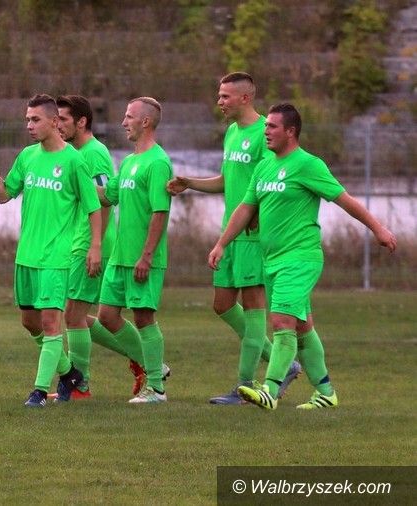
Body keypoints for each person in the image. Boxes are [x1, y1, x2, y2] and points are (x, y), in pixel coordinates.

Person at [208, 103, 397, 410]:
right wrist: (221, 244)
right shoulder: (264, 166)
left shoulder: (308, 164)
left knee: (281, 321)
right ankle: (326, 393)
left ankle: (269, 390)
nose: (266, 131)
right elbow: (245, 209)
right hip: (272, 259)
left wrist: (378, 228)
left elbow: (344, 199)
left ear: (291, 131)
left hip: (300, 258)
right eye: (265, 126)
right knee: (303, 327)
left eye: (272, 126)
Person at [167, 72, 300, 405]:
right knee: (223, 305)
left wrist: (257, 217)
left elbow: (272, 182)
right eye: (219, 95)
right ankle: (284, 364)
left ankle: (245, 386)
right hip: (231, 231)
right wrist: (190, 182)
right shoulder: (231, 133)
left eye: (225, 96)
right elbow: (228, 181)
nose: (220, 102)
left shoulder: (264, 133)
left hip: (253, 235)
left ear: (245, 98)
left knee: (254, 308)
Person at [0, 93, 102, 407]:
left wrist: (95, 247)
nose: (29, 125)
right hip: (27, 256)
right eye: (27, 120)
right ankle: (69, 372)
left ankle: (38, 392)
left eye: (35, 119)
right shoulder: (27, 156)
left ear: (54, 121)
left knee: (50, 324)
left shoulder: (74, 161)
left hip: (56, 257)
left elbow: (93, 207)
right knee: (29, 322)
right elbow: (4, 194)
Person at [96, 97, 172, 404]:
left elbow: (159, 212)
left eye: (129, 116)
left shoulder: (158, 162)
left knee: (143, 318)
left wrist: (147, 256)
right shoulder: (129, 162)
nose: (123, 122)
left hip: (142, 258)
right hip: (120, 256)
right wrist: (75, 178)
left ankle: (156, 389)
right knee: (106, 316)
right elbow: (107, 196)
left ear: (146, 122)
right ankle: (156, 367)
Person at [54, 94, 124, 400]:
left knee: (73, 315)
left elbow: (105, 199)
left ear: (81, 121)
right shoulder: (73, 152)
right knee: (75, 314)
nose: (57, 125)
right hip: (78, 241)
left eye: (63, 119)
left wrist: (95, 246)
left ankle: (79, 386)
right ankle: (142, 357)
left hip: (90, 243)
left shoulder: (95, 153)